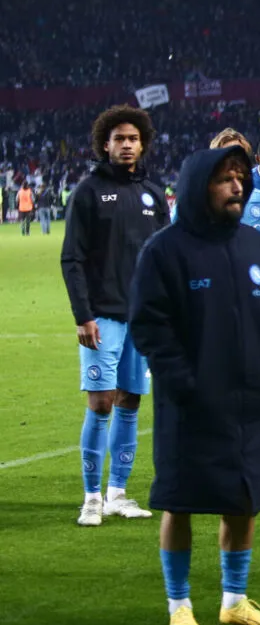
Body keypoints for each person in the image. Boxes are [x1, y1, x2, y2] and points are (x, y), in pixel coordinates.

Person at [129, 145, 260, 625]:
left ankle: (234, 600)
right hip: (191, 405)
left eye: (241, 177)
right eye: (225, 179)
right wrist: (184, 382)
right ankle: (179, 604)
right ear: (200, 186)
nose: (237, 186)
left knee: (242, 501)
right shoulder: (164, 249)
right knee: (178, 502)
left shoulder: (255, 245)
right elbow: (150, 325)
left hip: (249, 401)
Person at [61, 105, 170, 526]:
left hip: (142, 318)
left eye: (133, 139)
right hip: (102, 316)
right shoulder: (88, 191)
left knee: (131, 401)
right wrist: (82, 316)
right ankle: (91, 497)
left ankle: (118, 494)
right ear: (105, 144)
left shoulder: (154, 194)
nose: (127, 145)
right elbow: (72, 258)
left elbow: (166, 257)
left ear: (142, 144)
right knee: (101, 402)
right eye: (119, 139)